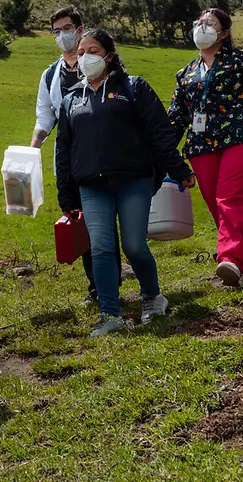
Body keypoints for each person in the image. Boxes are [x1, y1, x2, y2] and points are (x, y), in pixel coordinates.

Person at [57, 29, 195, 337]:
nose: (85, 57)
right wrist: (66, 197)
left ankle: (152, 297)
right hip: (91, 187)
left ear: (109, 56)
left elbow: (160, 133)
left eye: (92, 50)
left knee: (134, 244)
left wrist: (178, 168)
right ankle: (110, 314)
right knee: (102, 249)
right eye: (80, 53)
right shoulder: (70, 101)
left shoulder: (134, 88)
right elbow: (63, 151)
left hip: (134, 180)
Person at [168, 8, 243, 287]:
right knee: (218, 206)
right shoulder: (185, 74)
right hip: (201, 145)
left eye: (210, 23)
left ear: (224, 33)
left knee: (231, 197)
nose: (202, 27)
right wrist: (163, 152)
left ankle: (229, 257)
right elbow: (176, 118)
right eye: (199, 22)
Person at [32, 7, 123, 305]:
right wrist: (32, 150)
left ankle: (111, 282)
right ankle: (96, 287)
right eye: (57, 31)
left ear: (80, 29)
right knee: (82, 221)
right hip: (71, 159)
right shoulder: (50, 75)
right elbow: (45, 117)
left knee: (105, 222)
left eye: (67, 28)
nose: (63, 35)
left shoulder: (100, 65)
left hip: (106, 155)